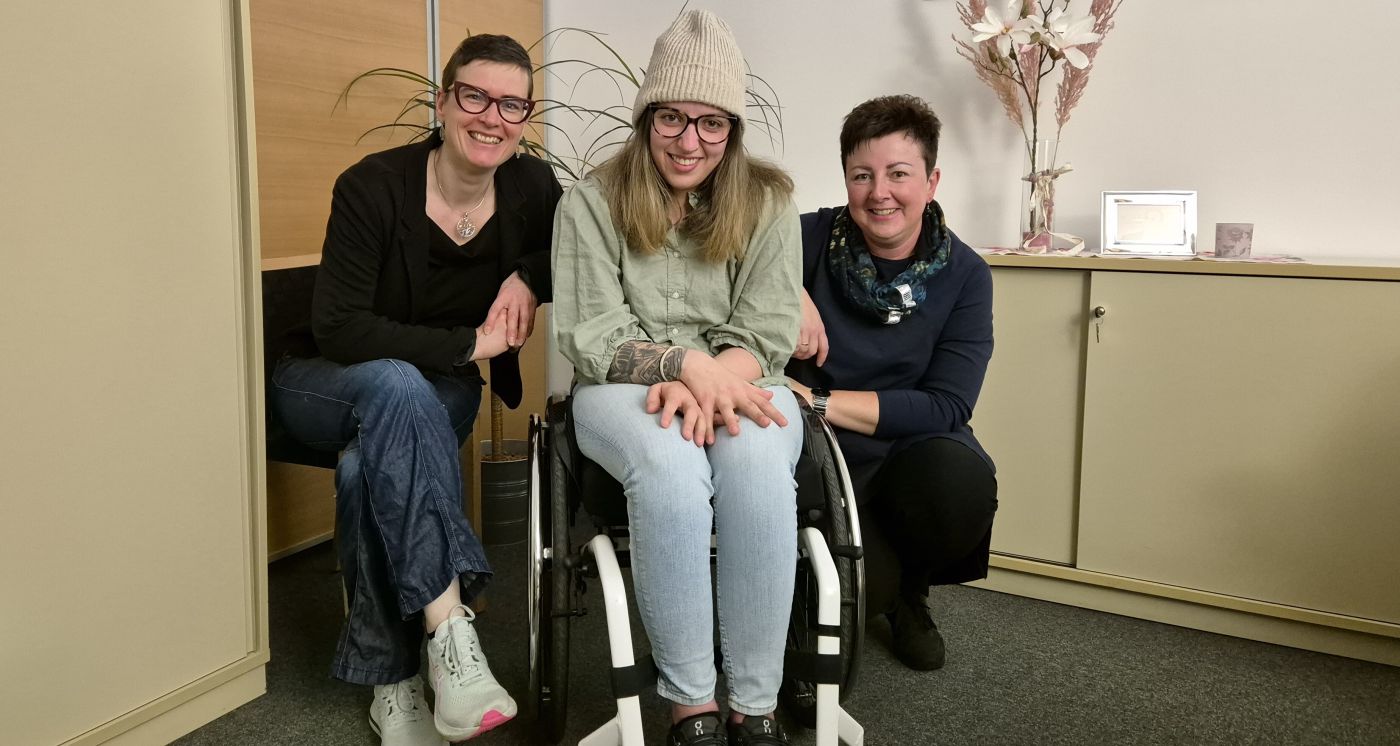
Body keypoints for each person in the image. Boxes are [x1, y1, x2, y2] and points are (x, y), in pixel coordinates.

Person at [268, 34, 561, 746]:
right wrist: (467, 344)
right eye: (475, 96)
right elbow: (338, 327)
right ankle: (452, 635)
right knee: (395, 387)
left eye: (512, 103)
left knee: (364, 468)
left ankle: (392, 681)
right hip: (323, 381)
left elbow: (567, 249)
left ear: (525, 117)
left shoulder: (532, 186)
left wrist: (525, 275)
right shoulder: (373, 184)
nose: (492, 116)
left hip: (439, 388)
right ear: (443, 101)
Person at [552, 10, 803, 746]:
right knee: (666, 463)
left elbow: (766, 327)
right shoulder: (589, 203)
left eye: (711, 124)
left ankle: (753, 705)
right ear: (646, 118)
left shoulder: (770, 203)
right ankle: (690, 702)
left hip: (739, 375)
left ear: (732, 129)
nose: (689, 141)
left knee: (757, 460)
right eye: (672, 118)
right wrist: (678, 366)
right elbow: (590, 336)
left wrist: (713, 376)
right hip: (621, 389)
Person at [786, 95, 998, 673]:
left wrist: (818, 401)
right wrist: (787, 288)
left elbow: (948, 404)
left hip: (911, 449)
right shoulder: (801, 240)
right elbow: (727, 236)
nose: (880, 192)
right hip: (821, 458)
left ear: (931, 182)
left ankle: (912, 591)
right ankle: (877, 585)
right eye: (862, 176)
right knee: (845, 618)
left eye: (898, 174)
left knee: (960, 485)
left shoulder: (966, 274)